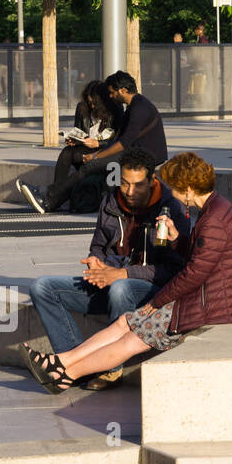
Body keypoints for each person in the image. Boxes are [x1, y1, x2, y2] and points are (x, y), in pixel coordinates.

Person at [19, 152, 232, 393]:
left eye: (175, 188)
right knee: (123, 322)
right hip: (202, 297)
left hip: (210, 304)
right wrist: (177, 241)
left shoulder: (211, 219)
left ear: (189, 190)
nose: (172, 192)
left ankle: (67, 374)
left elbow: (193, 273)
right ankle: (63, 362)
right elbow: (201, 258)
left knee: (131, 337)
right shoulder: (216, 210)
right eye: (125, 183)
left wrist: (157, 301)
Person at [26, 147, 191, 389]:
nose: (130, 192)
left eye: (138, 185)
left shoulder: (171, 209)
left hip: (149, 292)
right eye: (125, 184)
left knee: (121, 288)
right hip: (110, 281)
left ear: (152, 181)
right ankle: (73, 364)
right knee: (42, 287)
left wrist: (123, 274)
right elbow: (98, 246)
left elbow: (175, 270)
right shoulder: (111, 201)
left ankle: (109, 370)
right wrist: (96, 262)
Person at [18, 70, 167, 214]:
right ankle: (50, 199)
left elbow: (123, 143)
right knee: (75, 157)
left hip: (144, 156)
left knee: (90, 166)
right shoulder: (136, 105)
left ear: (122, 90)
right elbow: (122, 140)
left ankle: (48, 198)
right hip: (134, 152)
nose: (110, 96)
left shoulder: (139, 108)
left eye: (112, 92)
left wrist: (97, 155)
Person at [51, 81, 123, 201]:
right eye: (89, 103)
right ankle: (56, 193)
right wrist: (75, 141)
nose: (92, 106)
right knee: (67, 152)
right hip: (85, 148)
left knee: (73, 154)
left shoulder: (115, 110)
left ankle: (55, 195)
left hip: (105, 151)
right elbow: (78, 131)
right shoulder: (82, 108)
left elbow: (119, 140)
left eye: (95, 103)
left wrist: (98, 143)